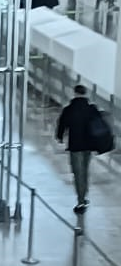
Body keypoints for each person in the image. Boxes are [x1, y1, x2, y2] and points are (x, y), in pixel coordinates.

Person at [56, 83, 99, 213]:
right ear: (85, 94)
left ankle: (80, 201)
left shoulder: (69, 109)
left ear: (74, 93)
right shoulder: (92, 109)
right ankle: (84, 196)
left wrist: (59, 137)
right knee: (85, 172)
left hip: (75, 146)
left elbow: (62, 124)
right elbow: (98, 126)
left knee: (77, 173)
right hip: (88, 146)